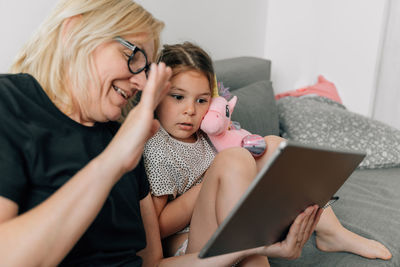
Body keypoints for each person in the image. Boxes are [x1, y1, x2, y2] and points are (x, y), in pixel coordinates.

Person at [0, 1, 322, 266]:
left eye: (146, 69)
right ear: (73, 33)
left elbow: (152, 264)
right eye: (133, 56)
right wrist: (114, 160)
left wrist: (254, 246)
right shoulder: (11, 105)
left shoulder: (123, 137)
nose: (141, 83)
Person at [143, 42, 392, 266]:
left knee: (272, 145)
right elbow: (159, 227)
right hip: (193, 246)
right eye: (178, 97)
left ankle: (330, 231)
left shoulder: (209, 132)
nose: (190, 110)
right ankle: (253, 253)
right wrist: (211, 178)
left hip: (228, 221)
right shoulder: (158, 147)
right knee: (234, 158)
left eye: (201, 101)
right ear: (157, 97)